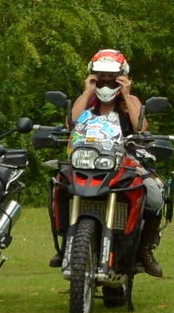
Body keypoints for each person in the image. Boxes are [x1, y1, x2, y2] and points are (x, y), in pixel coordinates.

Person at [66, 47, 166, 276]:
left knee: (154, 193)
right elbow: (71, 123)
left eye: (112, 77)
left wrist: (128, 94)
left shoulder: (129, 102)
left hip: (124, 159)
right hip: (86, 160)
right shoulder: (88, 103)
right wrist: (86, 91)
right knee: (59, 185)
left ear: (122, 75)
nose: (106, 81)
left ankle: (144, 250)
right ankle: (66, 242)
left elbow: (141, 127)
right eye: (101, 76)